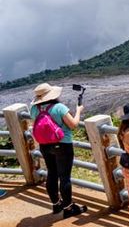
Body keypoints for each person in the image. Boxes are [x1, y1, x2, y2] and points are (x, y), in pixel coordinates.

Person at [30, 83, 87, 218]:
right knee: (64, 177)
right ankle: (69, 208)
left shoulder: (34, 109)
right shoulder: (59, 107)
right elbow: (73, 125)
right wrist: (78, 110)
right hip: (63, 144)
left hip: (45, 145)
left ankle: (56, 204)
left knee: (52, 173)